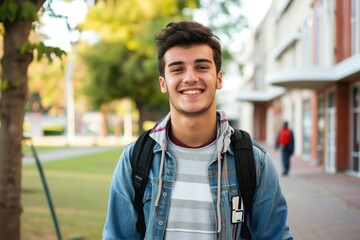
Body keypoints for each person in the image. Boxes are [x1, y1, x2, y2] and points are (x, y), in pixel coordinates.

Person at [103, 21, 293, 239]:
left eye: (201, 67)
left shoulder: (255, 162)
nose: (190, 77)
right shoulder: (134, 159)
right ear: (163, 83)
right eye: (177, 69)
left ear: (219, 78)